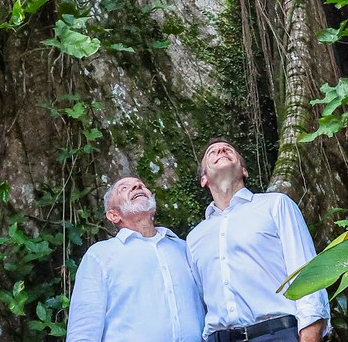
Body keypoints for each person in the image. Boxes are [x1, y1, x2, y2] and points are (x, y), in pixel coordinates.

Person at [187, 139, 331, 342]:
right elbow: (200, 301)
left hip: (277, 333)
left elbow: (307, 271)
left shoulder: (275, 205)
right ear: (203, 179)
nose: (220, 150)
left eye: (228, 149)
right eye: (212, 152)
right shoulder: (195, 238)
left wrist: (310, 334)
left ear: (244, 170)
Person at [67, 177, 205, 342]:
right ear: (113, 215)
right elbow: (83, 332)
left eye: (142, 184)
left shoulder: (185, 249)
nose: (137, 185)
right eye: (124, 188)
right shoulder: (100, 255)